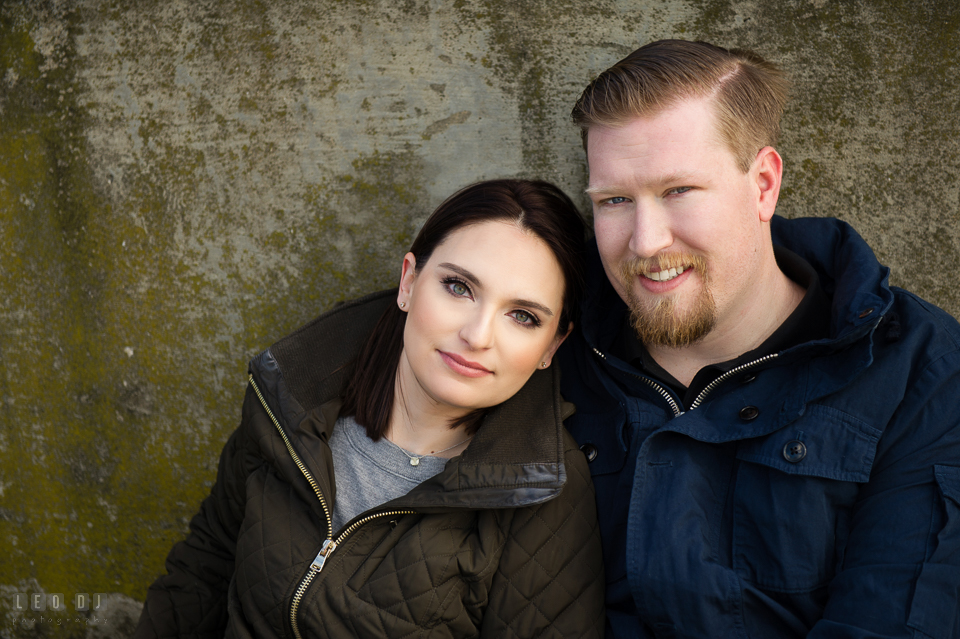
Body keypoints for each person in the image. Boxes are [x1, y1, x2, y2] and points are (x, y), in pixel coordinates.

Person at [558, 39, 960, 638]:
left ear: (764, 183)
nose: (644, 242)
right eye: (615, 200)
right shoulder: (546, 344)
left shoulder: (916, 372)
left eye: (678, 192)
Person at [134, 179, 604, 638]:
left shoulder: (546, 491)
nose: (478, 336)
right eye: (459, 287)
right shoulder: (292, 397)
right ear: (409, 281)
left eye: (523, 316)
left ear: (552, 345)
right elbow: (205, 568)